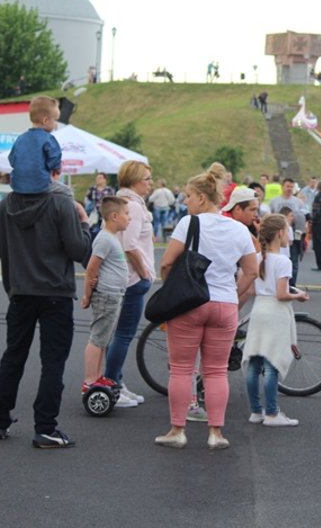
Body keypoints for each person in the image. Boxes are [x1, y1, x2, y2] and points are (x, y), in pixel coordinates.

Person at [0, 167, 92, 448]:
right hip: (56, 292)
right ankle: (45, 427)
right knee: (52, 362)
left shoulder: (6, 205)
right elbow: (80, 251)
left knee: (13, 356)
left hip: (20, 291)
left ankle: (0, 420)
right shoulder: (62, 203)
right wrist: (83, 222)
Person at [155, 168, 258, 449]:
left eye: (188, 196)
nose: (185, 201)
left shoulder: (189, 224)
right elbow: (251, 270)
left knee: (181, 369)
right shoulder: (239, 229)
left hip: (190, 302)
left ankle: (177, 430)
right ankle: (216, 433)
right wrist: (234, 296)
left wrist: (171, 288)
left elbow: (166, 262)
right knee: (216, 371)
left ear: (201, 197)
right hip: (224, 304)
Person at [243, 214, 309, 427]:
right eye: (287, 229)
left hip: (259, 310)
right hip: (275, 313)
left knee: (254, 362)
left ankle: (256, 411)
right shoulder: (283, 261)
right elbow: (281, 294)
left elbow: (253, 288)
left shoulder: (258, 258)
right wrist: (298, 295)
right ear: (280, 233)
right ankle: (272, 413)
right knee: (272, 364)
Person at [104, 161, 155, 408]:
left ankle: (116, 381)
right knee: (124, 335)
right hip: (133, 278)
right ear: (134, 179)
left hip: (126, 277)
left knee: (120, 334)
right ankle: (112, 383)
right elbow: (130, 244)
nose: (150, 182)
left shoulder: (124, 202)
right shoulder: (133, 205)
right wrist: (145, 271)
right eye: (146, 178)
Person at [81, 196, 130, 394]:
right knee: (98, 338)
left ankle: (98, 376)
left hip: (114, 295)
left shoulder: (112, 238)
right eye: (127, 214)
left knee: (104, 338)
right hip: (106, 296)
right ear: (114, 216)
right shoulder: (104, 239)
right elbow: (92, 268)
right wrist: (87, 294)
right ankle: (90, 380)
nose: (129, 218)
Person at [8, 96, 62, 195]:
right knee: (67, 192)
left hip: (17, 186)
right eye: (55, 120)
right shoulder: (48, 139)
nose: (56, 125)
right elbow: (55, 160)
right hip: (41, 186)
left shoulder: (20, 139)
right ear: (45, 120)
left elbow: (12, 160)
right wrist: (57, 169)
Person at [269, 178, 309, 286]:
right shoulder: (274, 201)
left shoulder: (298, 202)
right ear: (282, 187)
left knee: (293, 260)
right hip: (277, 236)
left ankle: (292, 285)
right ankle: (277, 283)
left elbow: (304, 217)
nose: (289, 189)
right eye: (287, 186)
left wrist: (301, 236)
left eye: (291, 187)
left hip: (294, 235)